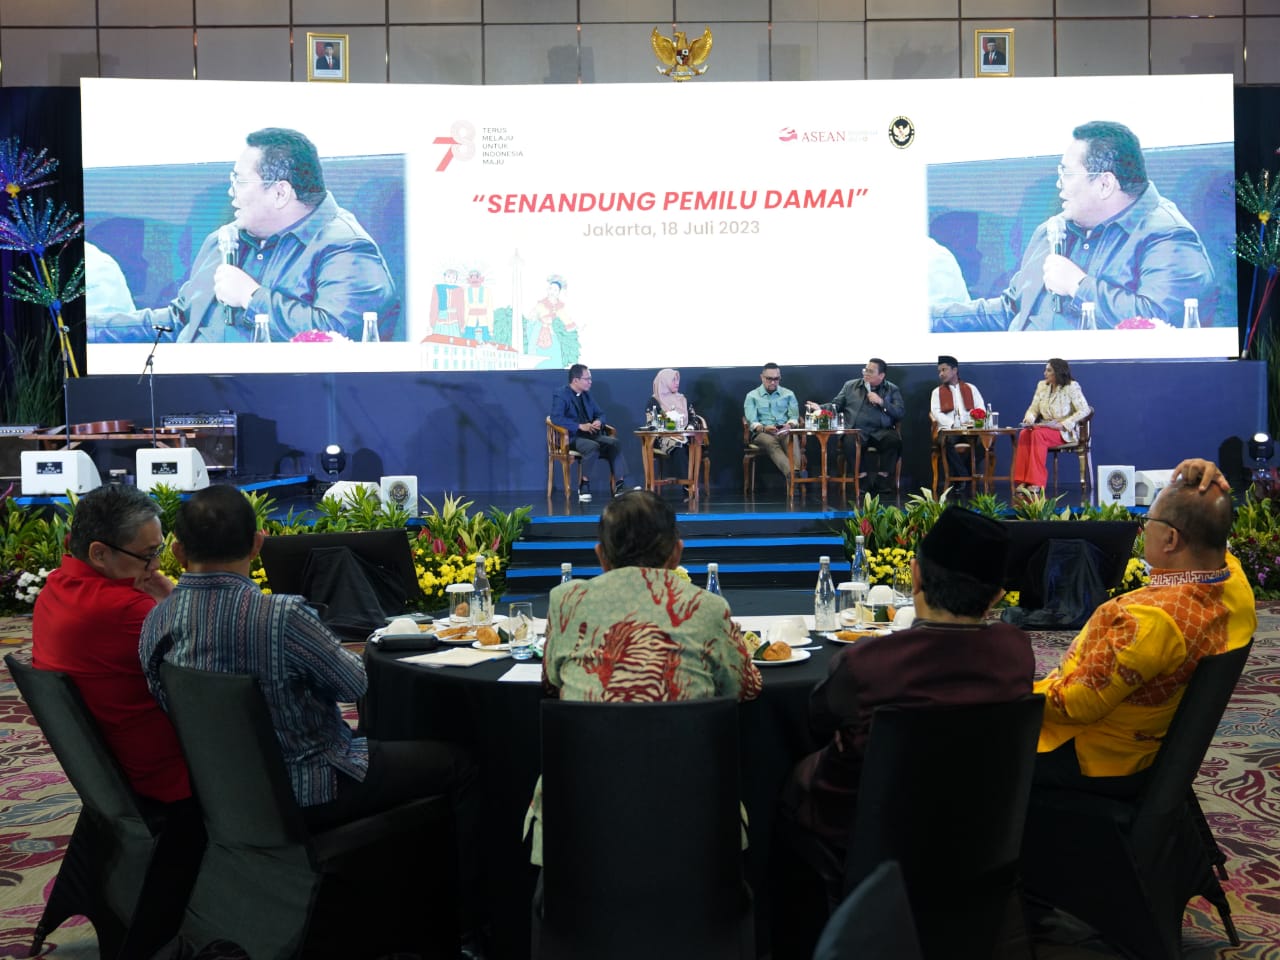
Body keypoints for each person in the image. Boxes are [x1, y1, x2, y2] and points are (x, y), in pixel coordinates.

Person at [139, 485, 486, 955]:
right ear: (257, 543)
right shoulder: (279, 616)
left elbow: (165, 698)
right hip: (315, 787)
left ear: (178, 551)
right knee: (461, 764)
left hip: (223, 794)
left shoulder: (158, 621)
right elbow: (354, 685)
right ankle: (469, 932)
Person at [782, 507, 1034, 886]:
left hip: (866, 840)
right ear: (997, 596)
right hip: (976, 840)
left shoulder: (869, 663)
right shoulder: (1016, 653)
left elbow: (818, 718)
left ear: (916, 574)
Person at [523, 490, 763, 865]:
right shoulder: (706, 607)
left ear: (601, 556)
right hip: (695, 833)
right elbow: (745, 688)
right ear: (677, 553)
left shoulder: (566, 602)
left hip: (577, 833)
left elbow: (551, 683)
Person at [1034, 458, 1256, 797]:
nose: (1143, 528)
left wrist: (1009, 691)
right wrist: (1213, 491)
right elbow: (1214, 534)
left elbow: (1076, 704)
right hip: (1146, 749)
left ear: (1170, 538)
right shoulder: (1235, 589)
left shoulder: (1150, 622)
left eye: (1147, 520)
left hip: (1097, 758)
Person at [88, 127, 399, 344]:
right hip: (189, 395)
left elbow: (337, 337)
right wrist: (82, 329)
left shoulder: (345, 247)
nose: (231, 192)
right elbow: (180, 320)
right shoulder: (225, 241)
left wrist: (251, 297)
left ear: (280, 193)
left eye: (239, 181)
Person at [931, 120, 1215, 332]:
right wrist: (927, 319)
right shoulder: (1054, 231)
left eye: (1066, 173)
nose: (1059, 184)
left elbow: (1162, 323)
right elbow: (1011, 310)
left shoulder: (1167, 236)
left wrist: (1078, 286)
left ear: (1105, 184)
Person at [31, 485, 190, 807]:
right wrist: (172, 600)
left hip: (111, 778)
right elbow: (209, 664)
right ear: (99, 554)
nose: (156, 566)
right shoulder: (125, 609)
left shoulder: (55, 589)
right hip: (170, 778)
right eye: (148, 554)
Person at [806, 358, 904, 494]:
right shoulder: (850, 386)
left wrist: (882, 402)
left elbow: (900, 412)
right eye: (865, 370)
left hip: (881, 430)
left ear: (881, 375)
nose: (866, 374)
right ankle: (862, 478)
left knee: (894, 440)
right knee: (849, 442)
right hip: (857, 430)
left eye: (870, 371)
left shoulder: (892, 389)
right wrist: (820, 408)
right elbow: (836, 405)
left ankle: (882, 478)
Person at [549, 362, 631, 502]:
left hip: (591, 435)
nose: (590, 382)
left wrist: (599, 421)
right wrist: (579, 426)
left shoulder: (587, 395)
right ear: (576, 380)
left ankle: (620, 486)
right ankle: (584, 484)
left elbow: (600, 413)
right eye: (587, 379)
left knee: (614, 443)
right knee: (592, 447)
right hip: (571, 437)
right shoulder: (561, 394)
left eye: (590, 379)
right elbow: (556, 418)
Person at [1011, 357, 1089, 498]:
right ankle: (1022, 481)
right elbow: (1033, 409)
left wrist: (1064, 424)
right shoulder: (1042, 385)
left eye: (1048, 370)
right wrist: (1029, 419)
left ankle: (1036, 482)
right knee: (1024, 433)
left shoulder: (1071, 386)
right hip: (1045, 426)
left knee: (1037, 435)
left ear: (1058, 372)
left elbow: (1085, 410)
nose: (1044, 373)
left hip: (1063, 430)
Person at [929, 355, 987, 497]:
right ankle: (964, 476)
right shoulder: (937, 392)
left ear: (954, 370)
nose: (941, 374)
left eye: (944, 370)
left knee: (983, 443)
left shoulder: (971, 388)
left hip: (969, 429)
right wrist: (953, 424)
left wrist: (971, 421)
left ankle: (962, 474)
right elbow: (936, 413)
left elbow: (981, 408)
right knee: (947, 442)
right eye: (939, 371)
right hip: (948, 429)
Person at [744, 362, 800, 483]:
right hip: (762, 433)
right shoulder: (752, 396)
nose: (773, 382)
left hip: (784, 430)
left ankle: (793, 480)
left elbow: (794, 417)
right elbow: (752, 421)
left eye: (776, 379)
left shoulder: (788, 394)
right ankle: (795, 475)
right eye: (769, 379)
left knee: (791, 438)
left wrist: (789, 425)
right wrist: (764, 428)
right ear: (762, 377)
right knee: (770, 441)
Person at [649, 367, 692, 479]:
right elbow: (656, 422)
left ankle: (691, 484)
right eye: (673, 380)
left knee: (695, 444)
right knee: (679, 447)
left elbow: (692, 417)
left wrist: (690, 427)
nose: (677, 383)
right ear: (664, 381)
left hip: (685, 435)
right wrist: (674, 426)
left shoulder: (682, 399)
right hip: (663, 438)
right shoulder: (654, 401)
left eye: (677, 380)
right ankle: (687, 485)